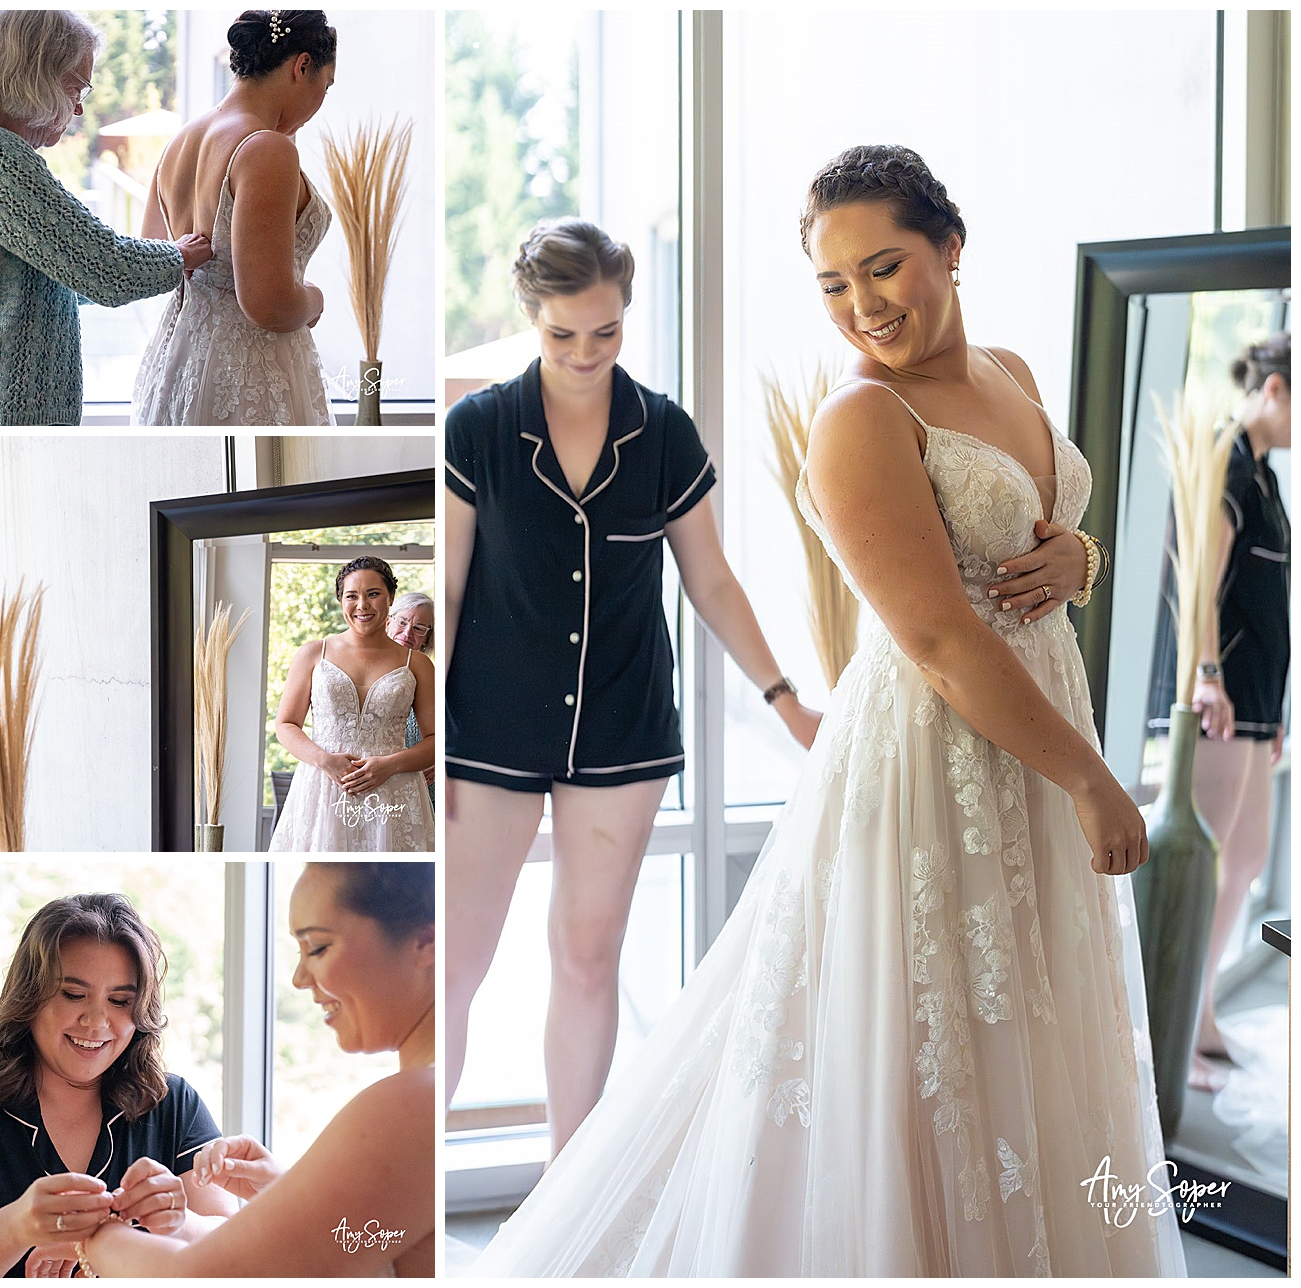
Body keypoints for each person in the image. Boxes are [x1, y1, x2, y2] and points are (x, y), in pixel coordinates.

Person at [469, 147, 1182, 1276]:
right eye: (834, 286)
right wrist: (1090, 775)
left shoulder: (1014, 372)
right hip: (937, 754)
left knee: (1035, 1031)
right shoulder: (859, 418)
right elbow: (942, 637)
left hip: (1035, 730)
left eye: (885, 266)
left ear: (952, 245)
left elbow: (1039, 545)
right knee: (916, 1043)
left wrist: (1081, 560)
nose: (863, 306)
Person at [79, 862, 434, 1276]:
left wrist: (95, 1235)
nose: (300, 978)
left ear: (424, 942)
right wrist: (290, 1195)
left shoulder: (407, 1103)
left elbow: (200, 1277)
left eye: (317, 948)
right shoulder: (424, 1088)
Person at [0, 894, 235, 1277]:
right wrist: (16, 1226)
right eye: (73, 995)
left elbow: (234, 1247)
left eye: (119, 1001)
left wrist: (179, 1221)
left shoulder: (174, 1104)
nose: (97, 1021)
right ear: (29, 996)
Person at [0, 10, 212, 426]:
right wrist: (179, 255)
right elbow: (104, 267)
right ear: (33, 75)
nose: (78, 108)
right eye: (76, 88)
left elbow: (51, 270)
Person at [1144, 333, 1290, 1093]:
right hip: (1220, 704)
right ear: (1274, 390)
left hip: (1258, 708)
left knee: (1251, 859)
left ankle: (1199, 1011)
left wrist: (1278, 706)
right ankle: (1175, 1031)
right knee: (1205, 867)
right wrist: (1208, 677)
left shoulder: (1264, 477)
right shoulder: (1226, 466)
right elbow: (1197, 585)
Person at [132, 10, 337, 426]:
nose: (319, 104)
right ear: (302, 66)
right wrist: (315, 298)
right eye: (326, 87)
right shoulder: (266, 149)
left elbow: (152, 252)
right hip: (246, 372)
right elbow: (268, 304)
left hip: (178, 358)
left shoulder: (181, 140)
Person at [269, 556, 434, 851]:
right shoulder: (312, 654)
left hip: (393, 793)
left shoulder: (418, 664)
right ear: (340, 600)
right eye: (352, 596)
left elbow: (436, 740)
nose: (363, 605)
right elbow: (285, 724)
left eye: (373, 594)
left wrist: (390, 765)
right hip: (322, 790)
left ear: (391, 598)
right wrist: (323, 759)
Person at [388, 590, 436, 799]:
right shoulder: (362, 671)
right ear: (388, 623)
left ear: (426, 639)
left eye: (418, 628)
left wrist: (439, 761)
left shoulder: (436, 678)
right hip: (378, 786)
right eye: (402, 622)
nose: (407, 633)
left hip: (425, 790)